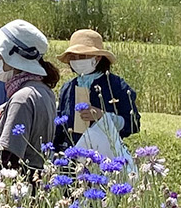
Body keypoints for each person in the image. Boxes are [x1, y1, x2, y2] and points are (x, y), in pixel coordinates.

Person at [0, 20, 59, 172]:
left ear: (10, 57)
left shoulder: (22, 98)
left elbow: (9, 158)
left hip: (21, 188)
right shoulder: (41, 90)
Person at [55, 29, 139, 159]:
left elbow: (133, 123)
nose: (77, 60)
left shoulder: (116, 86)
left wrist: (103, 117)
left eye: (82, 56)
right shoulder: (67, 88)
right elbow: (59, 127)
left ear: (98, 57)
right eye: (73, 57)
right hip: (71, 157)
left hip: (105, 157)